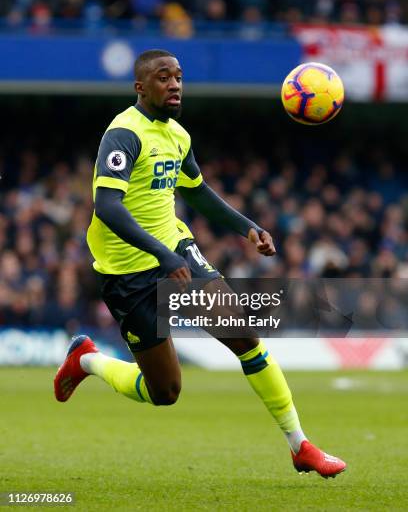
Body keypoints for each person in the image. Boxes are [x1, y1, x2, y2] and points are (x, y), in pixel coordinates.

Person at [54, 49, 346, 478]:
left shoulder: (178, 136)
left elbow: (196, 191)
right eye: (162, 77)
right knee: (165, 392)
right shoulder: (124, 134)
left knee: (243, 335)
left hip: (177, 251)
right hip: (127, 271)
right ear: (140, 87)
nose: (174, 84)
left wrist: (247, 227)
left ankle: (300, 444)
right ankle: (86, 361)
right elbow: (107, 206)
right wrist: (161, 255)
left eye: (178, 76)